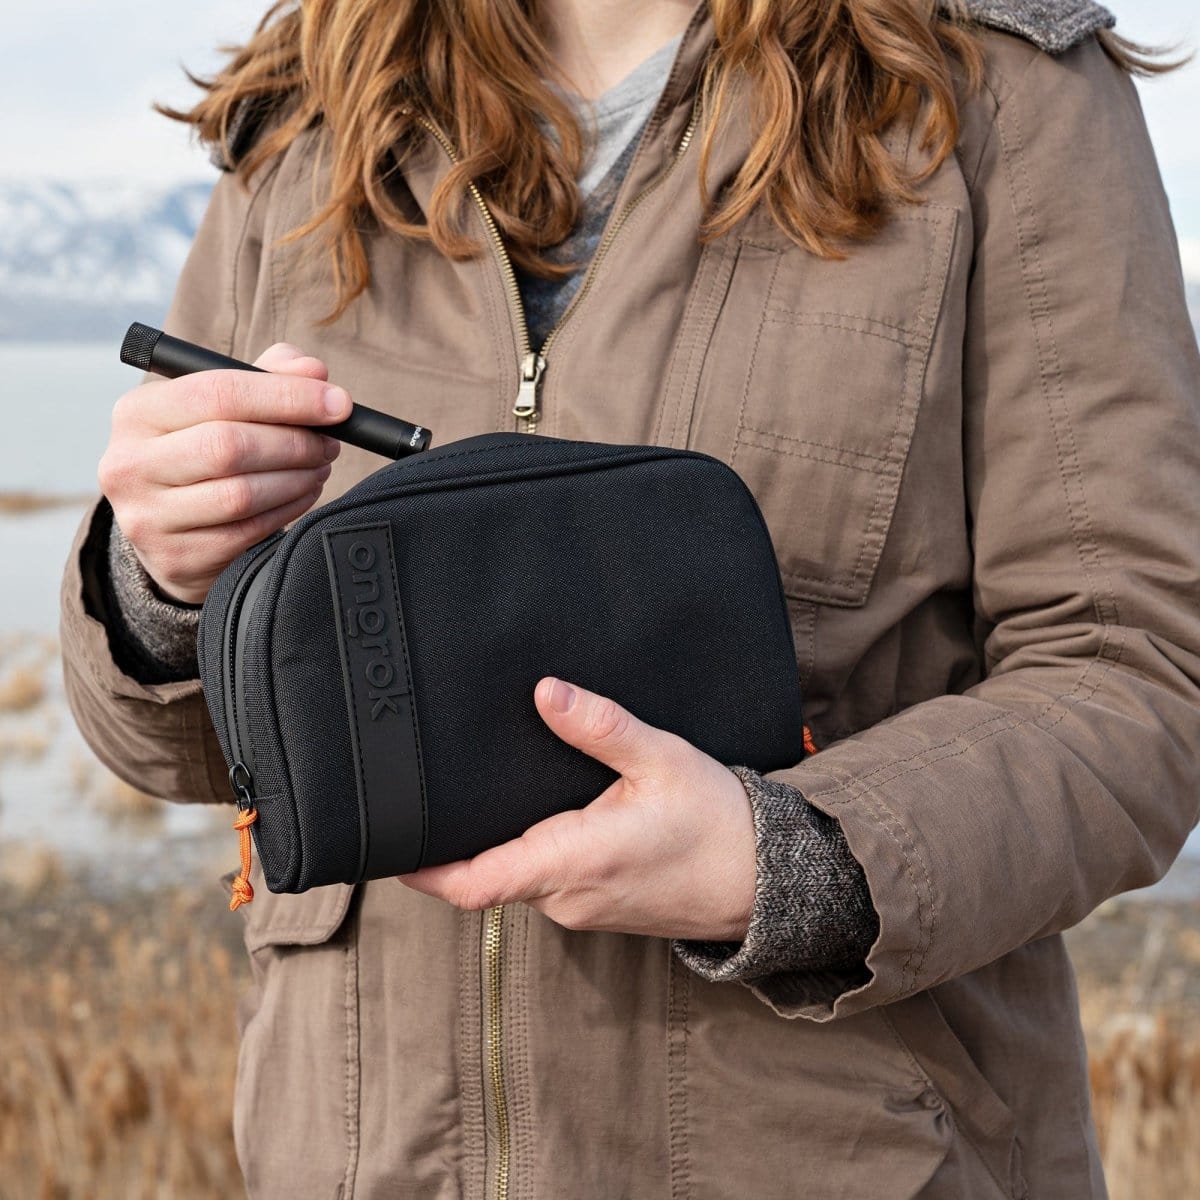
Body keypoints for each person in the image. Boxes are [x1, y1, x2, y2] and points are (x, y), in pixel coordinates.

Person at [61, 0, 1200, 1196]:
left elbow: (1136, 672)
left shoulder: (992, 77)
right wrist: (162, 584)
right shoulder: (306, 109)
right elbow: (183, 747)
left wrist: (791, 866)